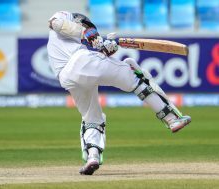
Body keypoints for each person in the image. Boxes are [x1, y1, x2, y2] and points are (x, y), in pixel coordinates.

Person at [46, 11, 191, 175]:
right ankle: (171, 119)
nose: (87, 30)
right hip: (80, 62)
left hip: (68, 78)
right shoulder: (65, 17)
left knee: (92, 117)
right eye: (86, 26)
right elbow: (55, 23)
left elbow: (95, 65)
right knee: (133, 73)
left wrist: (105, 48)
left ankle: (92, 157)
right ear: (80, 21)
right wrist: (86, 32)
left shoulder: (67, 44)